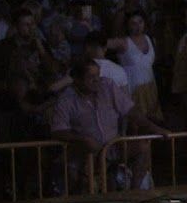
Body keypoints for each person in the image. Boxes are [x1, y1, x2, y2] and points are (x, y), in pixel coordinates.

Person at [51, 57, 170, 193]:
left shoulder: (107, 85)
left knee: (142, 146)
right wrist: (82, 140)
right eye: (91, 77)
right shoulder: (66, 99)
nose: (96, 80)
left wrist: (154, 128)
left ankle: (135, 192)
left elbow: (130, 110)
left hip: (113, 146)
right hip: (84, 153)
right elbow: (58, 130)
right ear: (77, 79)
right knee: (75, 178)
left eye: (98, 75)